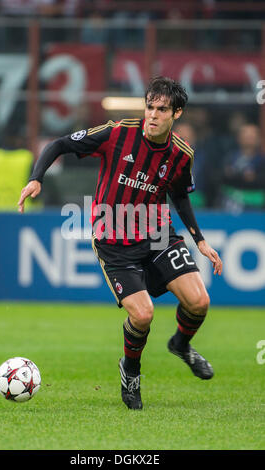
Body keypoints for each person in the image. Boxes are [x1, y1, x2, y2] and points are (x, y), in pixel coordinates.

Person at [18, 77, 222, 410]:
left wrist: (200, 241)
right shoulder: (117, 133)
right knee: (143, 315)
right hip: (114, 239)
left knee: (199, 302)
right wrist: (35, 178)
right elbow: (59, 144)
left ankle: (181, 345)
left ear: (177, 113)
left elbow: (180, 197)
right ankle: (131, 369)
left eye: (162, 109)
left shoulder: (181, 154)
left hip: (158, 235)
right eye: (150, 107)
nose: (153, 115)